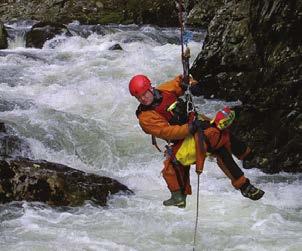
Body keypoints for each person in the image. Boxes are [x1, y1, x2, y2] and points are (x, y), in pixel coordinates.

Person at [129, 74, 264, 208]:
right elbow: (167, 132)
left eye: (144, 94)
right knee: (215, 139)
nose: (143, 99)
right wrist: (189, 128)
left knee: (220, 134)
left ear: (150, 88)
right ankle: (245, 184)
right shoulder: (145, 118)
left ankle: (249, 160)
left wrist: (190, 83)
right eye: (139, 97)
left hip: (195, 125)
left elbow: (178, 82)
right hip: (182, 142)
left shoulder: (163, 90)